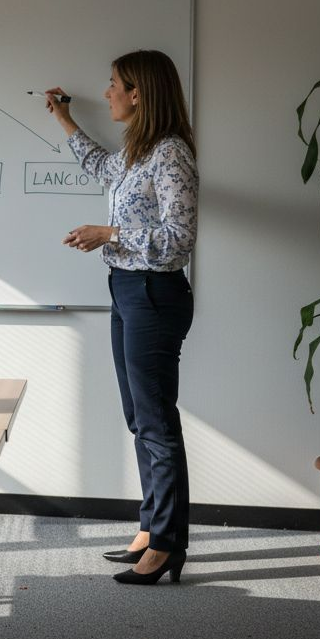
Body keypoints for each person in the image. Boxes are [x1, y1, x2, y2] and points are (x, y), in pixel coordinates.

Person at [43, 50, 198, 585]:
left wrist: (108, 234)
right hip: (127, 289)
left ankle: (168, 545)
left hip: (155, 294)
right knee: (139, 417)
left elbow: (180, 239)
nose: (106, 92)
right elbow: (98, 165)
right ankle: (152, 528)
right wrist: (64, 118)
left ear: (139, 92)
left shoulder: (171, 155)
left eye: (113, 84)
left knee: (156, 421)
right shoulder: (137, 152)